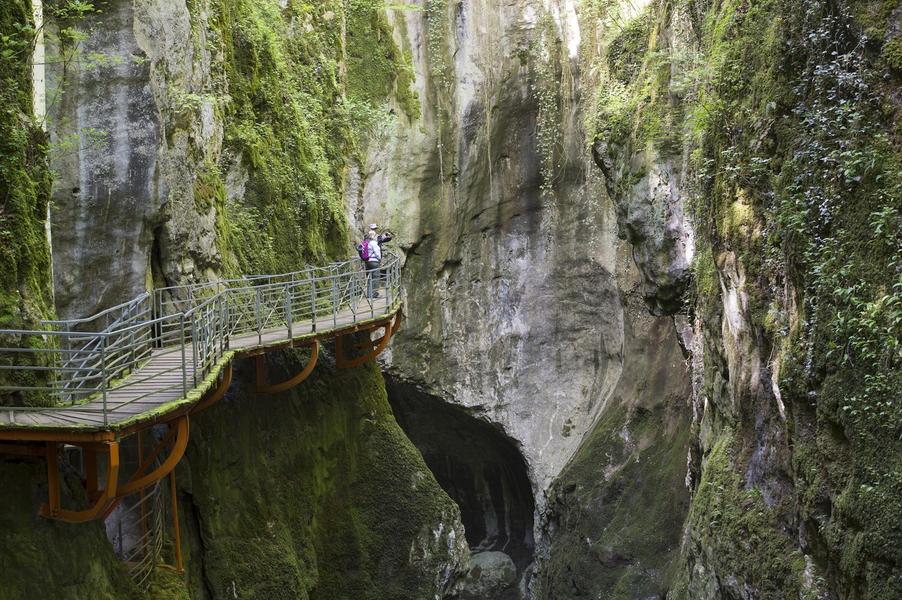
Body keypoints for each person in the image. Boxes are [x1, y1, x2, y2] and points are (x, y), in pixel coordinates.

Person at [365, 229, 382, 299]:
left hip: (368, 262)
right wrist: (380, 259)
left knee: (370, 278)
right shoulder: (374, 243)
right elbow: (377, 253)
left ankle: (369, 294)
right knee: (375, 277)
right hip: (374, 262)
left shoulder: (367, 242)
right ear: (374, 236)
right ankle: (374, 294)